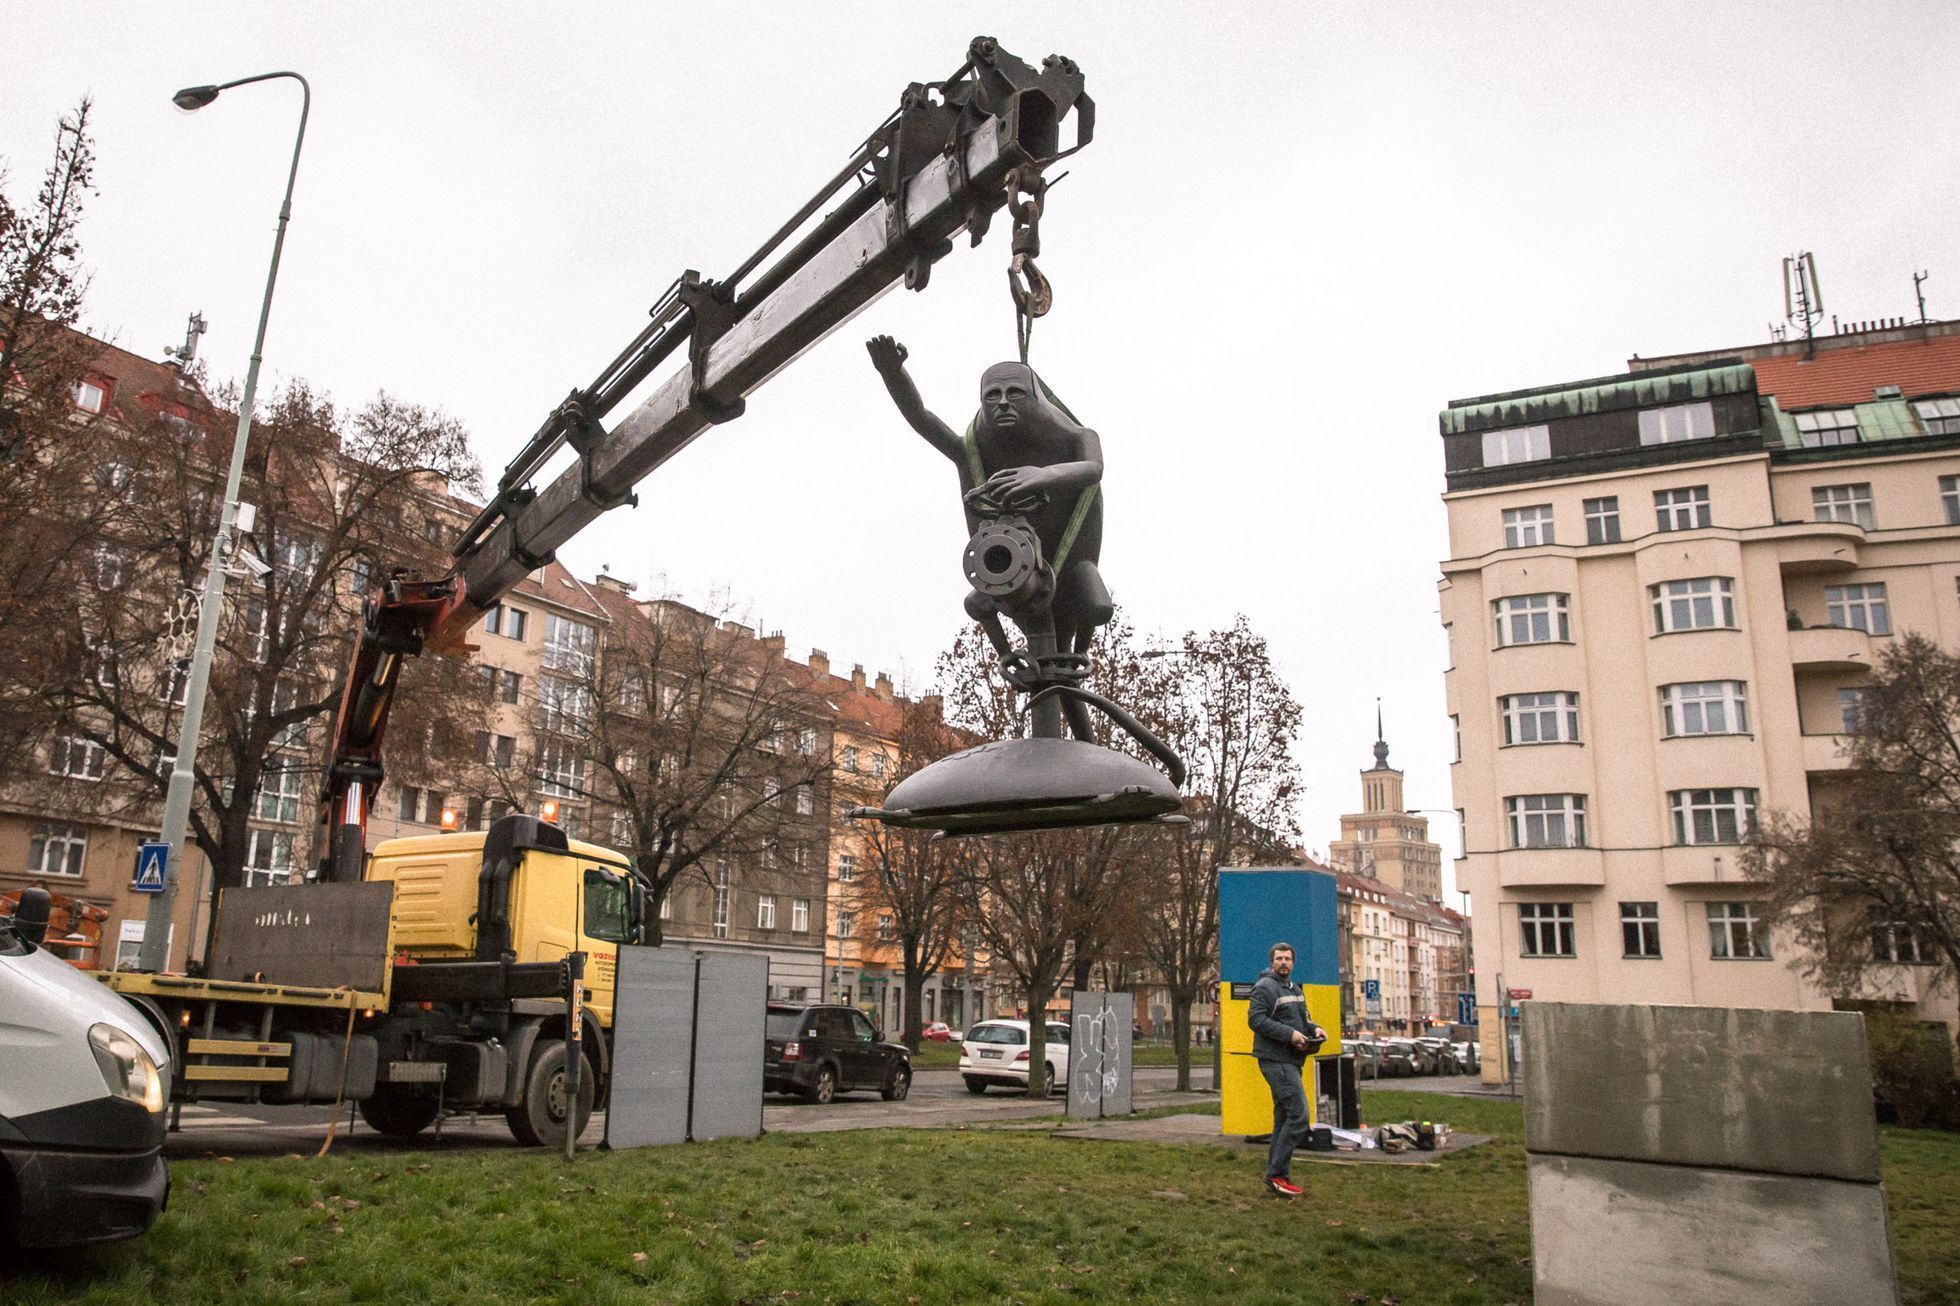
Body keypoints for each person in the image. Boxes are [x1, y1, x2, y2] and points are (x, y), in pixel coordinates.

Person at [1247, 941, 1326, 1198]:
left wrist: (1313, 1029)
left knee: (1283, 1118)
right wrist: (1290, 1035)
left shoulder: (1294, 988)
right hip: (1275, 1060)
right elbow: (1256, 1020)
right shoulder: (1265, 987)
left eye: (1288, 959)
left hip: (1291, 1060)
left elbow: (1302, 1018)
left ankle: (1277, 1176)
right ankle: (1277, 1174)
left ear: (1293, 963)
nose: (1283, 962)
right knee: (1299, 1116)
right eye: (1279, 958)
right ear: (1272, 962)